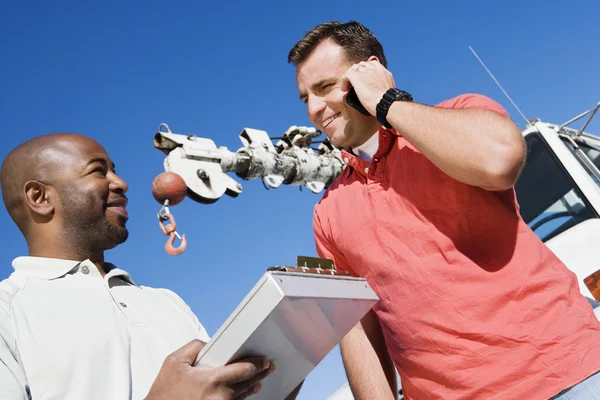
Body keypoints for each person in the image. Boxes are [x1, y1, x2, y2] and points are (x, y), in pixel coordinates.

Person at [287, 20, 600, 399]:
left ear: (367, 73)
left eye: (323, 88)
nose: (315, 109)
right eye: (306, 97)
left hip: (569, 375)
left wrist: (387, 101)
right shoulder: (328, 213)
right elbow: (357, 326)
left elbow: (500, 162)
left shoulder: (462, 114)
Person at [0, 133, 286, 399]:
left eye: (114, 169)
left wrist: (274, 379)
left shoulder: (168, 303)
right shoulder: (6, 313)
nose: (121, 183)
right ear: (40, 198)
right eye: (99, 170)